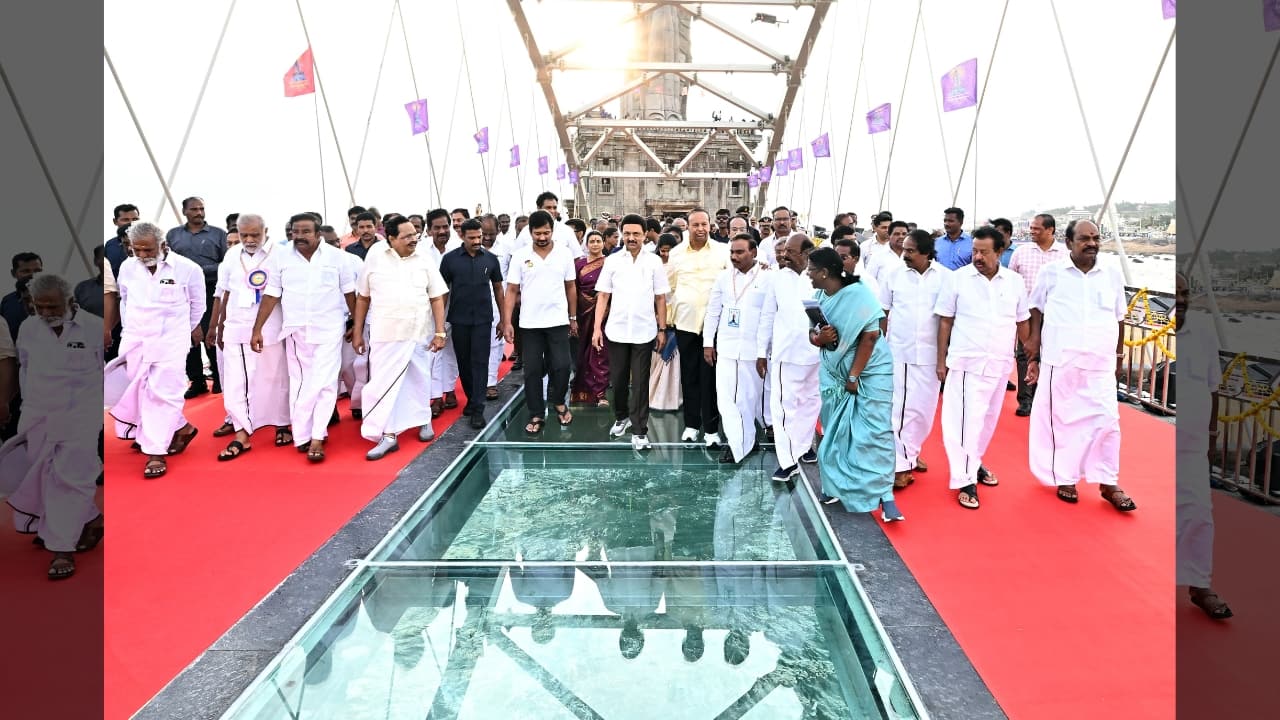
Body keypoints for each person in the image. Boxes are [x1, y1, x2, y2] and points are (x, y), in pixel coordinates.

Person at [1024, 219, 1136, 511]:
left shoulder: (1110, 274)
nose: (1092, 243)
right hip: (1061, 360)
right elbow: (1035, 307)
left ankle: (1108, 482)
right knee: (1062, 421)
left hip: (1100, 362)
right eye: (1085, 238)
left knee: (1108, 421)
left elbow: (1119, 316)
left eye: (1096, 238)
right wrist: (1033, 344)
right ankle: (1066, 476)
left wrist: (1119, 356)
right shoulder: (1052, 273)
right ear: (1069, 243)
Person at [0, 274, 104, 579]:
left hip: (80, 418)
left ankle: (62, 550)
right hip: (37, 415)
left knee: (72, 479)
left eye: (52, 306)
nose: (46, 313)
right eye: (40, 306)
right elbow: (25, 371)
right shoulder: (29, 329)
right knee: (44, 476)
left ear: (70, 302)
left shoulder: (93, 328)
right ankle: (90, 520)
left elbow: (101, 372)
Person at [933, 226, 1028, 509]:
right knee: (962, 423)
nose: (977, 256)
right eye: (974, 250)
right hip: (965, 362)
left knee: (986, 422)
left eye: (984, 252)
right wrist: (941, 361)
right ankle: (964, 479)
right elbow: (945, 320)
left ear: (1000, 252)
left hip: (999, 363)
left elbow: (1022, 322)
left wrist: (1032, 358)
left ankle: (973, 463)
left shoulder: (1014, 282)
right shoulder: (958, 279)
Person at [250, 213, 357, 462]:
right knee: (301, 383)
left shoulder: (337, 258)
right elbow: (271, 294)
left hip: (330, 329)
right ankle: (302, 434)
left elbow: (350, 294)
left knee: (326, 382)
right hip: (297, 331)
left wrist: (357, 326)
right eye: (295, 231)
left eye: (305, 231)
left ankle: (317, 437)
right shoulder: (280, 257)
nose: (299, 236)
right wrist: (257, 329)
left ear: (317, 233)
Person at [806, 248, 902, 521]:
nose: (808, 274)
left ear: (825, 273)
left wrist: (853, 376)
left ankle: (885, 496)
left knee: (874, 433)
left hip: (869, 371)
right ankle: (833, 485)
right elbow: (813, 336)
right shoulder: (817, 298)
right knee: (835, 432)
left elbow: (871, 336)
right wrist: (820, 339)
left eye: (812, 270)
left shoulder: (859, 295)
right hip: (834, 373)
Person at [107, 223, 204, 479]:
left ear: (162, 245)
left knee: (165, 393)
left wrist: (182, 332)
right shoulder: (128, 268)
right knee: (139, 390)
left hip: (171, 342)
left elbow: (198, 306)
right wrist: (129, 332)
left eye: (147, 249)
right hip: (135, 339)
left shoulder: (188, 269)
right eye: (136, 249)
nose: (141, 255)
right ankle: (182, 428)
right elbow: (125, 301)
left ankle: (155, 452)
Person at [352, 216, 448, 459]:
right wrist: (357, 331)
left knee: (419, 379)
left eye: (414, 234)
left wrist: (439, 332)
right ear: (391, 239)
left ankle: (422, 420)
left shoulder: (424, 260)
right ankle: (388, 434)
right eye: (406, 236)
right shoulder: (375, 259)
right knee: (384, 384)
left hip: (418, 333)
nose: (413, 239)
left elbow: (437, 297)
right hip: (385, 335)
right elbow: (363, 298)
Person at [208, 214, 291, 460]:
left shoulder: (280, 254)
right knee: (236, 381)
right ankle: (242, 432)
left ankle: (281, 424)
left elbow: (282, 292)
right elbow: (224, 293)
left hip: (271, 328)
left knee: (275, 377)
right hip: (236, 326)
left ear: (266, 230)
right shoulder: (232, 255)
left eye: (255, 234)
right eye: (244, 235)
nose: (249, 239)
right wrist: (218, 325)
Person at [1173, 271, 1232, 619]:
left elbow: (1214, 386)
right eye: (1174, 293)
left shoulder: (1203, 330)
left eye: (1184, 293)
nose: (1179, 299)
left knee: (1200, 512)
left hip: (1194, 442)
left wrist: (1212, 436)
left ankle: (1200, 585)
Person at [879, 230, 950, 488]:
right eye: (904, 249)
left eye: (910, 250)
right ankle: (901, 466)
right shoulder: (894, 275)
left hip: (931, 356)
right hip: (899, 352)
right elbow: (883, 313)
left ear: (926, 252)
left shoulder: (946, 278)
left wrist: (943, 359)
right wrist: (880, 349)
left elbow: (947, 320)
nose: (904, 254)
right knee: (899, 409)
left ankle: (911, 451)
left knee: (923, 411)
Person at [592, 215, 670, 450]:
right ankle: (622, 417)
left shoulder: (654, 262)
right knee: (617, 380)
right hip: (616, 331)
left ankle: (639, 431)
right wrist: (597, 328)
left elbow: (660, 297)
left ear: (645, 234)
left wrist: (662, 329)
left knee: (640, 383)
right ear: (622, 234)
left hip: (644, 331)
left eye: (636, 234)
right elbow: (603, 295)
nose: (631, 238)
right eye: (627, 233)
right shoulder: (613, 261)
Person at [501, 210, 577, 434]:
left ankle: (559, 403)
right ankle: (536, 413)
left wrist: (573, 318)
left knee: (562, 366)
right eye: (537, 233)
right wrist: (507, 322)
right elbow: (512, 289)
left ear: (552, 231)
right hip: (530, 324)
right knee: (532, 370)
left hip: (558, 321)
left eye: (546, 233)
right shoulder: (520, 255)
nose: (542, 237)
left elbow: (570, 286)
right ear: (530, 233)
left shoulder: (564, 254)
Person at [756, 234, 821, 481]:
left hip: (815, 355)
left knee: (810, 403)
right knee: (783, 409)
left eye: (790, 252)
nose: (783, 255)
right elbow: (767, 316)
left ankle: (803, 447)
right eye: (782, 251)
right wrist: (761, 352)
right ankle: (787, 461)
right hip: (785, 354)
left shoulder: (817, 277)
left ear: (806, 254)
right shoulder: (775, 278)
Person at [703, 235, 769, 464]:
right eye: (732, 252)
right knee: (726, 399)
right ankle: (736, 443)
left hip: (754, 351)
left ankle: (746, 440)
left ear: (754, 253)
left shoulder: (768, 277)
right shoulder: (723, 277)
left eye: (740, 252)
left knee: (748, 399)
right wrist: (708, 343)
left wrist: (764, 351)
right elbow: (713, 311)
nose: (734, 256)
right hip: (727, 349)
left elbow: (770, 317)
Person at [669, 209, 731, 446]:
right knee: (689, 376)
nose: (700, 229)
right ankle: (692, 425)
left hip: (714, 326)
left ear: (710, 225)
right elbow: (670, 288)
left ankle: (712, 429)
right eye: (695, 225)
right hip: (685, 324)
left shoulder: (722, 252)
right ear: (688, 227)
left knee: (711, 379)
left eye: (704, 224)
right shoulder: (676, 254)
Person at [438, 218, 506, 430]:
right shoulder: (449, 260)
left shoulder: (491, 259)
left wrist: (504, 319)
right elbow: (442, 293)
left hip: (484, 321)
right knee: (464, 364)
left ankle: (478, 408)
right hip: (459, 320)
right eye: (473, 237)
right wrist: (439, 325)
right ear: (461, 236)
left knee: (480, 363)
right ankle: (472, 399)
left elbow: (498, 289)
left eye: (480, 236)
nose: (478, 240)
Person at [165, 197, 228, 398]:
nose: (199, 212)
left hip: (211, 291)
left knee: (211, 333)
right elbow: (168, 262)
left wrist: (198, 272)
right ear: (185, 212)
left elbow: (227, 264)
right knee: (187, 336)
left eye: (201, 208)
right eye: (194, 209)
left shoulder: (218, 234)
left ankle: (219, 378)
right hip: (181, 295)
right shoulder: (173, 235)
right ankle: (196, 381)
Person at [1007, 213, 1065, 415]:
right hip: (1026, 314)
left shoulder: (1065, 254)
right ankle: (1025, 400)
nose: (1032, 231)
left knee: (1051, 354)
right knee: (1024, 355)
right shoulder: (1021, 253)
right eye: (1031, 227)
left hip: (1055, 315)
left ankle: (1045, 397)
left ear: (1050, 230)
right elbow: (1010, 281)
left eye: (1037, 228)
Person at [571, 231, 610, 406]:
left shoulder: (610, 263)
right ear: (586, 244)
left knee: (600, 350)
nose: (595, 244)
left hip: (604, 312)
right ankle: (581, 391)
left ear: (603, 243)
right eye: (592, 241)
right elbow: (574, 288)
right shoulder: (579, 264)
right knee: (582, 351)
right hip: (583, 312)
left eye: (598, 241)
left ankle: (600, 393)